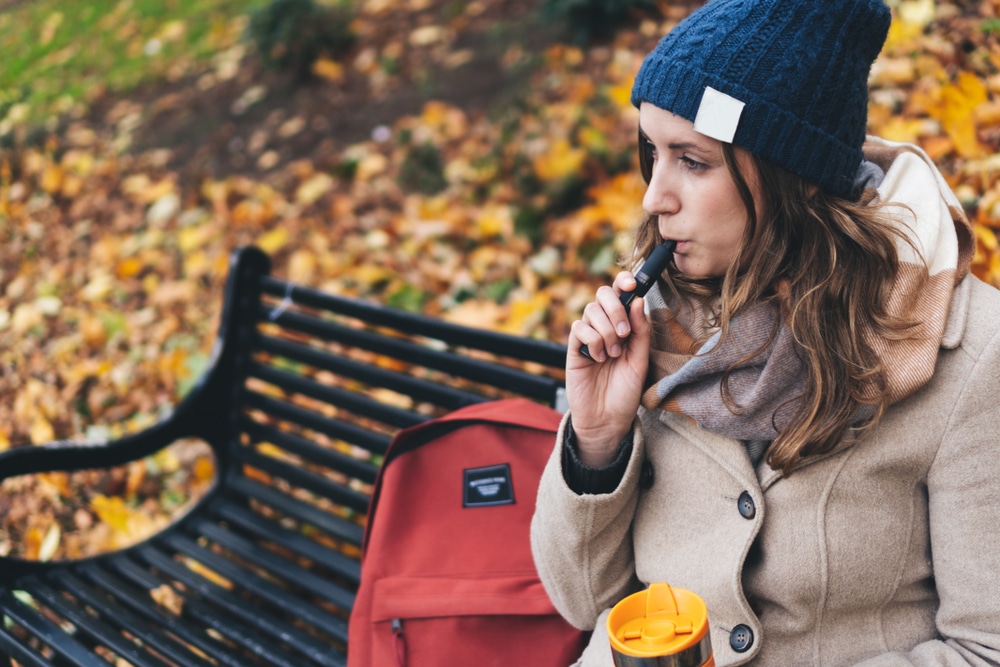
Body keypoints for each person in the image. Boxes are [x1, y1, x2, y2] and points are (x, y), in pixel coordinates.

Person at [530, 0, 1000, 665]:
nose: (653, 198)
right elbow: (583, 600)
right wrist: (597, 441)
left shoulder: (971, 351)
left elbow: (986, 646)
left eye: (692, 161)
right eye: (652, 153)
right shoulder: (650, 319)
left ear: (793, 178)